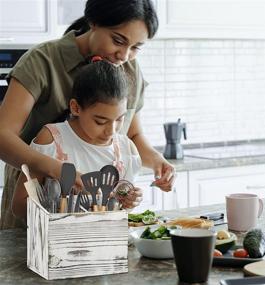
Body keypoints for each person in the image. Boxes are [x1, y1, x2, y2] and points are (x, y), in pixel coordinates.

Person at [0, 0, 175, 229]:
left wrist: (157, 162)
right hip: (34, 208)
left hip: (95, 221)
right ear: (94, 22)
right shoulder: (43, 61)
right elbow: (2, 136)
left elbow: (131, 135)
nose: (123, 55)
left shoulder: (130, 71)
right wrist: (58, 170)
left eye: (135, 47)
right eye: (118, 40)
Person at [12, 60, 143, 219]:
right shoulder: (51, 140)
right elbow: (18, 206)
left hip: (108, 240)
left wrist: (130, 201)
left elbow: (121, 208)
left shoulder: (127, 149)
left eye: (119, 119)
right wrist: (57, 216)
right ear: (75, 108)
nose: (111, 130)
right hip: (58, 241)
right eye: (100, 121)